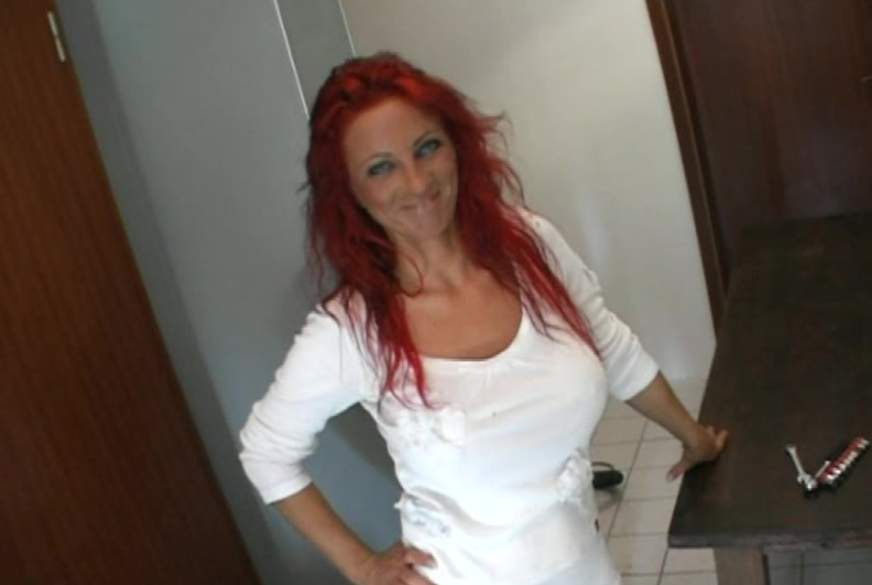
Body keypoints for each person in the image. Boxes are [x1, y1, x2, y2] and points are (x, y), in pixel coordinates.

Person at [239, 52, 727, 585]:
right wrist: (362, 566)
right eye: (381, 168)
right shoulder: (350, 331)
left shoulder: (532, 248)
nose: (417, 182)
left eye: (427, 148)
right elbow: (265, 453)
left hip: (584, 568)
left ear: (457, 145)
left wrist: (694, 438)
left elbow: (611, 347)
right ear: (350, 191)